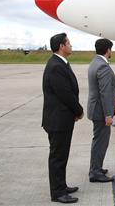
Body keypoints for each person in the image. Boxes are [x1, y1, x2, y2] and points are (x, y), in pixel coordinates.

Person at [42, 33, 84, 204]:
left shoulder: (60, 63)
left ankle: (61, 185)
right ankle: (58, 193)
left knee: (61, 155)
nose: (71, 45)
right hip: (58, 120)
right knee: (58, 157)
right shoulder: (56, 67)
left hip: (62, 119)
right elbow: (65, 94)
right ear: (61, 46)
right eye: (68, 43)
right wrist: (79, 110)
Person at [87, 38, 115, 183]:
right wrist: (108, 115)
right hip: (101, 111)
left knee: (98, 140)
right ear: (107, 50)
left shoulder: (94, 63)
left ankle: (96, 167)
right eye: (111, 49)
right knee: (101, 141)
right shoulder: (103, 67)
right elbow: (105, 93)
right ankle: (95, 172)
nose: (112, 51)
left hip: (95, 109)